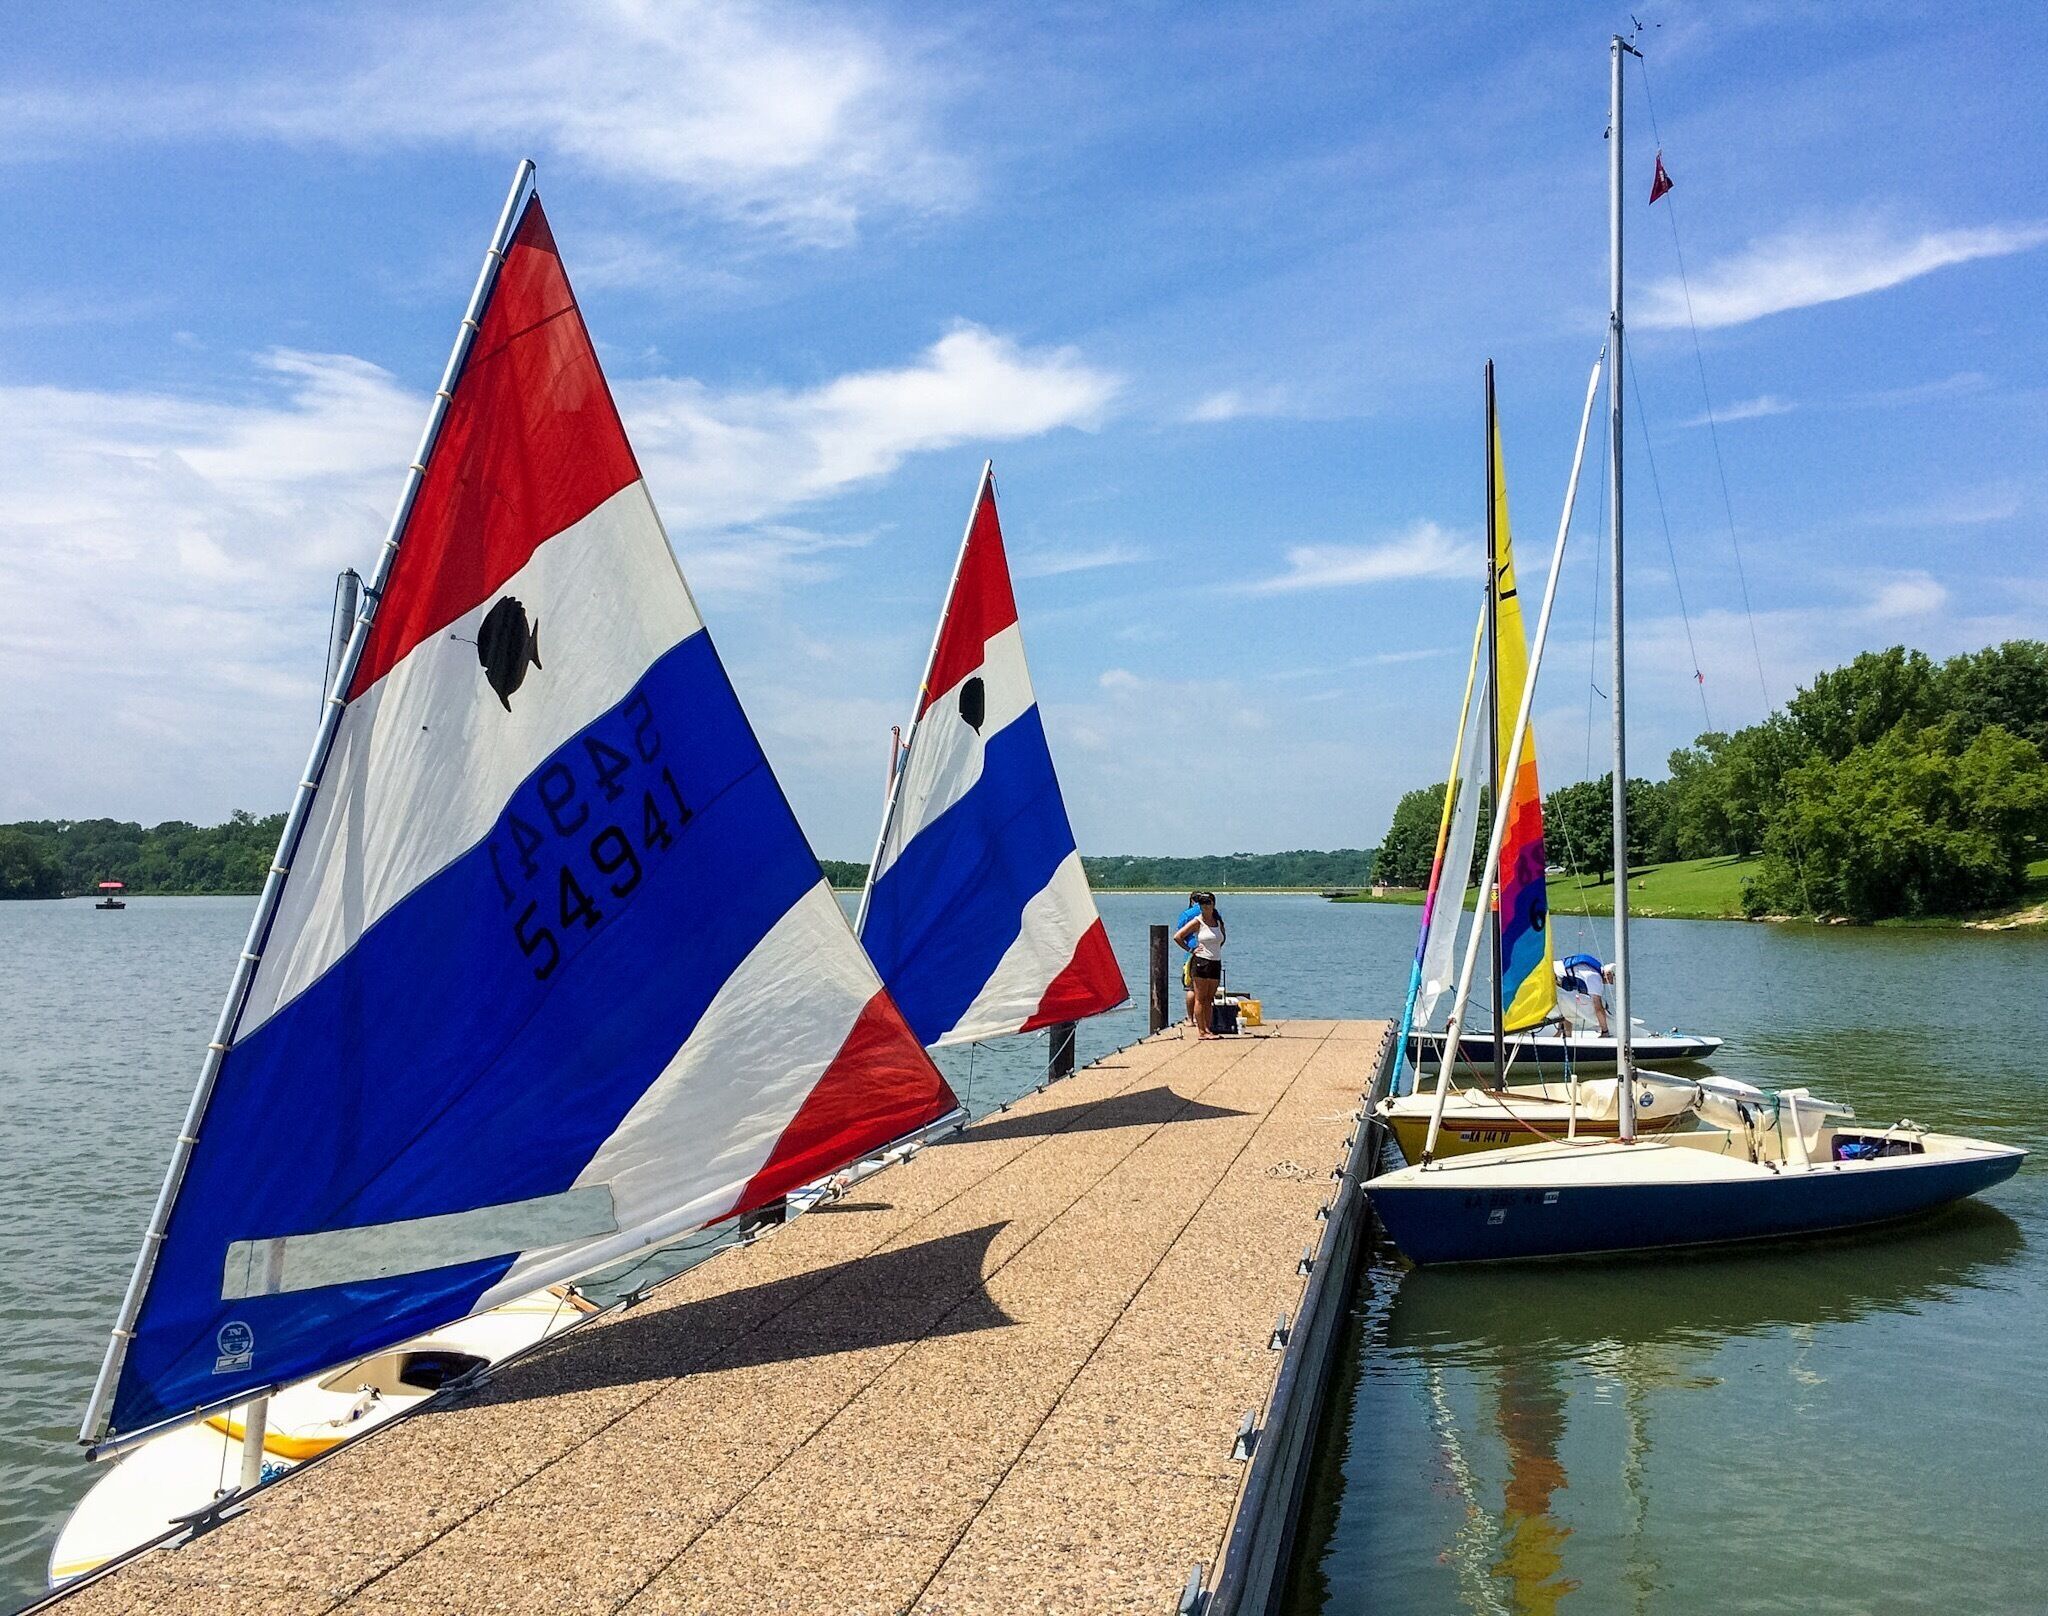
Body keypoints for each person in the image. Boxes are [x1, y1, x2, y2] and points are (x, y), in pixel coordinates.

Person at [1174, 892, 1227, 1040]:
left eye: (1208, 902)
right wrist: (1191, 949)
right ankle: (1201, 1031)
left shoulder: (1218, 921)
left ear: (1213, 904)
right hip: (1200, 962)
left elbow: (1222, 938)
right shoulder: (1197, 921)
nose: (1205, 905)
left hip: (1215, 962)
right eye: (1202, 903)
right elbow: (1177, 936)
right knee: (1200, 998)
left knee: (1210, 998)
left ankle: (1208, 1029)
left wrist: (1216, 948)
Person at [1555, 953, 1615, 1036]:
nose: (1611, 983)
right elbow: (1598, 1008)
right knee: (1569, 1002)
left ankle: (1565, 1034)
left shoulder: (1593, 969)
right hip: (1552, 976)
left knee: (1568, 1001)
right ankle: (1563, 1033)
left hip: (1554, 972)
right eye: (1612, 980)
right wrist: (1605, 1031)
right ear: (1608, 974)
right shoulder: (1595, 978)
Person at [1174, 891, 1202, 1024]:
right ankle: (1203, 1018)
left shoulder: (1186, 914)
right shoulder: (1212, 912)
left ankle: (1191, 1019)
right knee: (1206, 988)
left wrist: (1189, 949)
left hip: (1192, 954)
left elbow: (1179, 935)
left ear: (1191, 900)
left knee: (1191, 988)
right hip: (1210, 953)